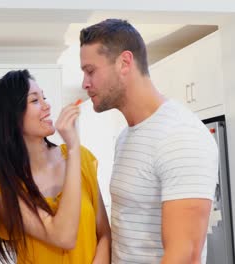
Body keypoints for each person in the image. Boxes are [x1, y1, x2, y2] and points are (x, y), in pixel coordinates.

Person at [79, 19, 219, 263]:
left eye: (90, 71)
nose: (85, 83)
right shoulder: (125, 137)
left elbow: (184, 256)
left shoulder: (180, 136)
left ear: (124, 63)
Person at [0, 69, 111, 264]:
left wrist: (74, 151)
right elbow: (63, 236)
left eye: (44, 98)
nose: (47, 106)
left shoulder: (81, 159)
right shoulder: (0, 184)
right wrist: (73, 147)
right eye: (34, 101)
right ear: (11, 117)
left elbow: (104, 235)